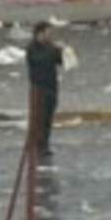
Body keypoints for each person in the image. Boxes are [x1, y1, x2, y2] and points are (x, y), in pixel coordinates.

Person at [27, 22, 64, 158]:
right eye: (47, 33)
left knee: (48, 117)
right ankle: (37, 144)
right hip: (39, 88)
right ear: (40, 33)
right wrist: (54, 51)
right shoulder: (33, 48)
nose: (50, 36)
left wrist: (63, 53)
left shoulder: (51, 47)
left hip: (51, 86)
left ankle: (45, 144)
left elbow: (59, 61)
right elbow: (40, 61)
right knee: (39, 118)